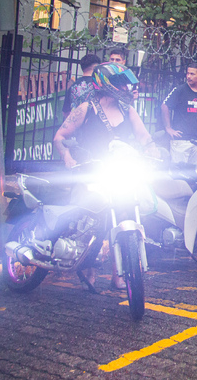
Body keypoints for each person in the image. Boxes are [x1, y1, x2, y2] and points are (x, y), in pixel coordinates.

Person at [52, 64, 157, 290]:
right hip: (91, 173)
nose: (126, 88)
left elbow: (144, 137)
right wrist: (67, 157)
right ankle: (88, 268)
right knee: (90, 222)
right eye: (121, 83)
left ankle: (120, 273)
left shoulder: (128, 110)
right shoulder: (86, 109)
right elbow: (60, 136)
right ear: (106, 85)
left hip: (121, 173)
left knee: (123, 217)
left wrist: (154, 152)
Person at [162, 62, 197, 141]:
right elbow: (164, 106)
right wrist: (168, 128)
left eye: (192, 74)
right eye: (188, 73)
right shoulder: (179, 90)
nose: (188, 76)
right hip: (181, 139)